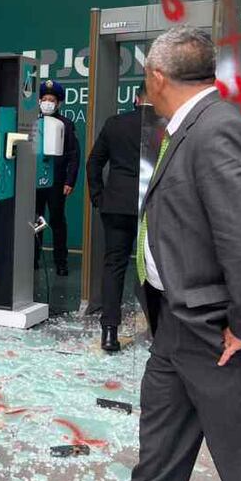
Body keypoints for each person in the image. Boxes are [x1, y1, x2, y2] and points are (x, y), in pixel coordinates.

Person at [72, 26, 241, 481]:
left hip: (217, 322)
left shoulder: (219, 130)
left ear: (158, 77)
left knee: (240, 438)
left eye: (146, 74)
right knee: (162, 411)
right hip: (176, 314)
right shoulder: (189, 126)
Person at [86, 83, 149, 352]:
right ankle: (158, 330)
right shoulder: (166, 126)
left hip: (117, 205)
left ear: (135, 98)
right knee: (155, 268)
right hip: (152, 206)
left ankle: (109, 332)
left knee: (114, 266)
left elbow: (94, 163)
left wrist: (99, 197)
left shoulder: (115, 124)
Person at [34, 80, 80, 275]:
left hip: (57, 181)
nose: (47, 103)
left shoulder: (66, 125)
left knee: (57, 220)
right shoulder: (31, 122)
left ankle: (61, 262)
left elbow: (74, 154)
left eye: (51, 100)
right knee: (35, 221)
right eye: (44, 99)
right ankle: (32, 259)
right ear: (39, 101)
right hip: (34, 181)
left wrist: (70, 180)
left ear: (58, 103)